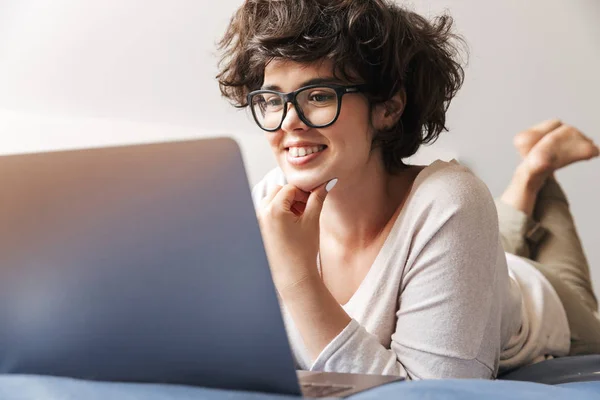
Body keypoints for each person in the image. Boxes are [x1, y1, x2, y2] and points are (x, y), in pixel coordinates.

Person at [216, 0, 600, 379]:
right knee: (493, 237)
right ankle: (526, 181)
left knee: (570, 284)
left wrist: (297, 277)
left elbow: (435, 393)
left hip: (541, 299)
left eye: (318, 96)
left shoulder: (452, 202)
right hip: (464, 257)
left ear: (388, 108)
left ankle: (537, 169)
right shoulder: (271, 201)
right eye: (271, 99)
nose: (288, 122)